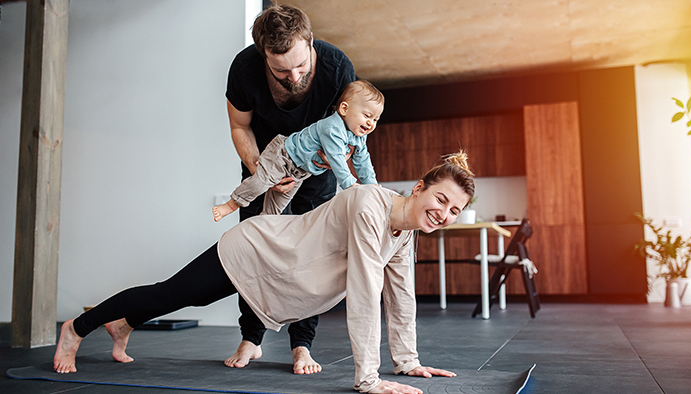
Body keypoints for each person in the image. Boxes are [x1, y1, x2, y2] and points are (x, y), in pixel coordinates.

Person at [53, 152, 476, 394]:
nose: (444, 214)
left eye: (454, 210)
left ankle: (123, 324)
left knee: (184, 296)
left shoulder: (403, 234)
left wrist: (407, 362)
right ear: (419, 187)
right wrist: (368, 378)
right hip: (258, 249)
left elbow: (401, 298)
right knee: (175, 294)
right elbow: (365, 291)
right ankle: (77, 327)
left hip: (283, 274)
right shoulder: (370, 204)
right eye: (441, 199)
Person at [225, 4, 356, 373]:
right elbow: (240, 127)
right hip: (265, 170)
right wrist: (260, 169)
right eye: (281, 70)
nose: (293, 76)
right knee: (254, 253)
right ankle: (251, 338)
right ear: (262, 54)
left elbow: (350, 135)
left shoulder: (336, 67)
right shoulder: (244, 68)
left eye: (301, 66)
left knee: (310, 259)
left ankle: (302, 345)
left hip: (317, 176)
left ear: (310, 41)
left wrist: (315, 167)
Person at [212, 80, 383, 221]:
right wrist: (350, 185)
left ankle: (262, 224)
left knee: (278, 205)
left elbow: (363, 162)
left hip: (299, 171)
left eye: (376, 119)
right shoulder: (332, 128)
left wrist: (372, 186)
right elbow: (336, 159)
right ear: (344, 109)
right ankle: (231, 204)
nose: (371, 124)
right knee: (260, 182)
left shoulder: (358, 137)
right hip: (283, 155)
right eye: (367, 116)